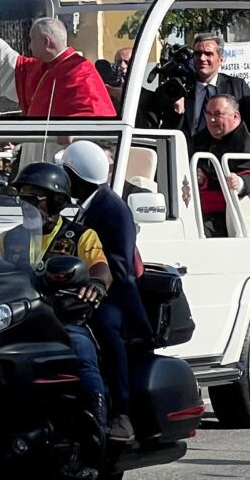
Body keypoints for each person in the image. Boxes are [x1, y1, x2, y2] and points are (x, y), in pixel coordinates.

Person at [0, 162, 111, 478]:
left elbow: (100, 267)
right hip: (14, 323)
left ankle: (92, 443)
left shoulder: (79, 236)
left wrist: (95, 283)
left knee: (84, 357)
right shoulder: (7, 239)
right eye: (22, 197)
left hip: (62, 321)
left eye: (34, 197)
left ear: (56, 202)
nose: (25, 203)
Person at [60, 141, 154, 443]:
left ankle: (121, 413)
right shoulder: (84, 207)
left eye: (65, 172)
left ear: (76, 176)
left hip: (116, 298)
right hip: (83, 291)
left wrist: (95, 289)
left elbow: (119, 268)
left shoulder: (112, 209)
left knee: (106, 330)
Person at [0, 9, 116, 118]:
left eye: (32, 40)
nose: (29, 46)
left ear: (46, 42)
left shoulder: (80, 71)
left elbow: (95, 114)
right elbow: (17, 66)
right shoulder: (46, 66)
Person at [190, 95, 250, 238]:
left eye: (218, 114)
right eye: (208, 114)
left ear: (236, 116)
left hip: (226, 216)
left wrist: (240, 182)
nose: (212, 120)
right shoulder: (201, 139)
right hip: (197, 208)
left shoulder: (248, 144)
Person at [169, 34, 250, 142]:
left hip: (226, 156)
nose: (202, 58)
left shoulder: (237, 87)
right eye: (197, 54)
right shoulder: (181, 88)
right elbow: (168, 132)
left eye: (208, 53)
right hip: (190, 156)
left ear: (220, 58)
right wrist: (178, 112)